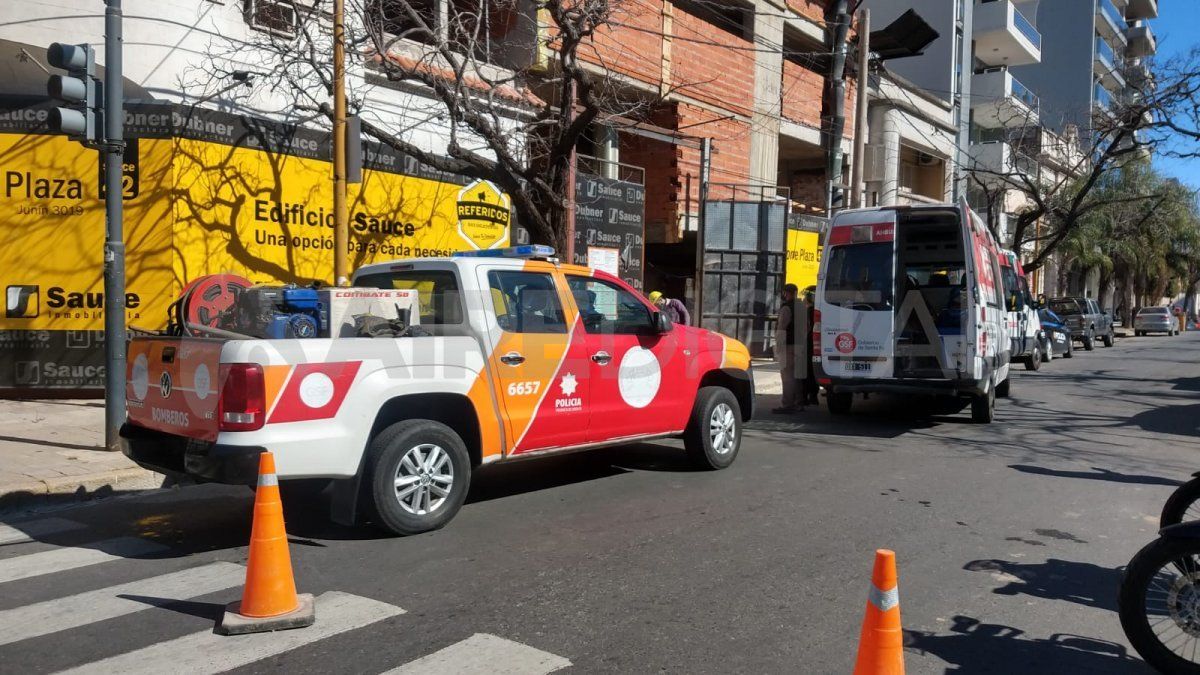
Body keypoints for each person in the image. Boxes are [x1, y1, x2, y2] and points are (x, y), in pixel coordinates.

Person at [773, 284, 805, 414]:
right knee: (797, 375)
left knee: (787, 375)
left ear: (786, 293)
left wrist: (778, 346)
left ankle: (787, 404)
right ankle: (799, 402)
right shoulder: (802, 307)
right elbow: (807, 327)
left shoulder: (786, 308)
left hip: (788, 346)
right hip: (800, 345)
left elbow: (782, 328)